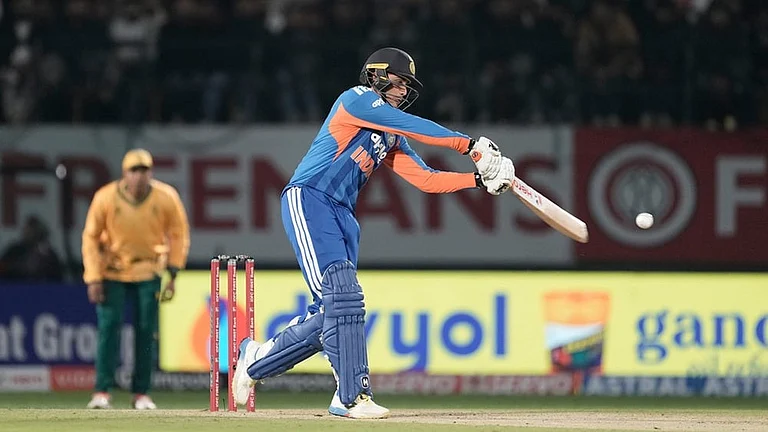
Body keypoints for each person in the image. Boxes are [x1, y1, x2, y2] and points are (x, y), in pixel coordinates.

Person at [231, 47, 515, 418]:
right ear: (378, 76)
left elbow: (426, 179)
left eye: (407, 87)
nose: (402, 93)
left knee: (333, 311)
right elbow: (415, 126)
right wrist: (470, 145)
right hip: (310, 199)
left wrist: (477, 181)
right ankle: (351, 396)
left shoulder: (391, 135)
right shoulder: (356, 99)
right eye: (398, 84)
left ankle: (254, 360)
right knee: (343, 298)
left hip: (344, 216)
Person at [82, 149, 190, 410]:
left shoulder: (165, 197)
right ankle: (102, 391)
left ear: (151, 172)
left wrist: (173, 272)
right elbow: (90, 237)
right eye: (134, 171)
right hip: (113, 272)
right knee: (109, 330)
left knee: (145, 333)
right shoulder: (106, 197)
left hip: (149, 272)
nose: (140, 177)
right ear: (124, 173)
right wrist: (93, 277)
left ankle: (141, 393)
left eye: (144, 170)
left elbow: (178, 234)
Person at [0, 215, 64, 282]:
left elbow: (58, 277)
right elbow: (3, 267)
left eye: (31, 228)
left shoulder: (49, 255)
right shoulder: (15, 250)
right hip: (15, 288)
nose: (26, 230)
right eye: (26, 228)